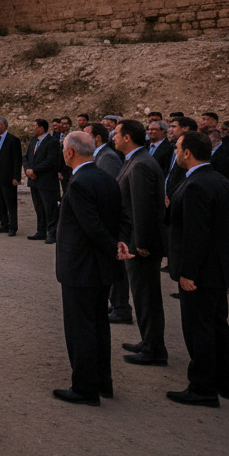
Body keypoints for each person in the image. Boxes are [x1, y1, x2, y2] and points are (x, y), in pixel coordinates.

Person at [53, 130, 133, 405]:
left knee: (81, 328)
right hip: (101, 267)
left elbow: (92, 227)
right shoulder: (105, 177)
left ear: (70, 152)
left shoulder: (78, 183)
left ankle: (85, 388)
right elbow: (122, 216)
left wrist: (113, 245)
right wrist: (120, 242)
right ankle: (102, 382)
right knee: (99, 325)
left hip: (81, 268)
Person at [165, 131, 229, 407]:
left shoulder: (195, 185)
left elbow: (196, 233)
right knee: (217, 325)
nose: (175, 153)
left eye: (178, 148)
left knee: (199, 328)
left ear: (188, 152)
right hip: (218, 268)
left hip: (200, 272)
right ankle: (221, 380)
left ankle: (202, 388)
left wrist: (188, 272)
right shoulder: (220, 181)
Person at [113, 119, 168, 366]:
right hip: (137, 241)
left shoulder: (140, 165)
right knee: (143, 295)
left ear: (127, 138)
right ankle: (148, 342)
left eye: (116, 133)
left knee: (147, 296)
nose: (112, 137)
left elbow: (142, 208)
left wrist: (140, 243)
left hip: (140, 245)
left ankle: (154, 350)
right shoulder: (135, 160)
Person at [86, 123, 132, 324]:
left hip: (111, 221)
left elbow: (114, 190)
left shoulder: (108, 157)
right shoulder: (100, 155)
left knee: (116, 265)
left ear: (96, 138)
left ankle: (122, 307)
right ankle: (116, 304)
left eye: (86, 135)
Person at [23, 118, 62, 243]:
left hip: (46, 181)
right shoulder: (33, 141)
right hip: (34, 181)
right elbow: (26, 157)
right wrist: (28, 170)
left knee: (50, 208)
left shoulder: (52, 142)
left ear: (41, 127)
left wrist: (34, 170)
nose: (33, 128)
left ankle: (52, 233)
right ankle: (41, 231)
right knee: (38, 207)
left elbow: (50, 161)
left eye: (35, 126)